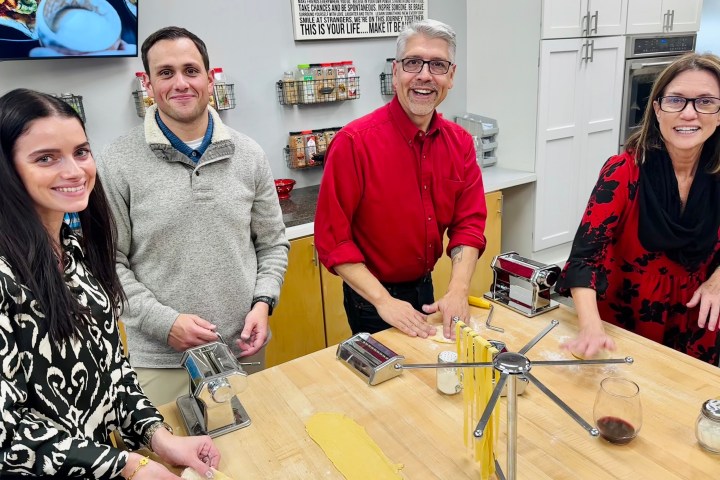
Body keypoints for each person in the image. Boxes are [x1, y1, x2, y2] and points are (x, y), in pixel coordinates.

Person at [0, 88, 220, 479]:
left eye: (81, 152)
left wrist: (158, 437)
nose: (74, 171)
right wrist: (128, 466)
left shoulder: (76, 250)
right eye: (46, 158)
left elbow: (112, 372)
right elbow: (7, 433)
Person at [97, 27, 289, 406]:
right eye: (166, 73)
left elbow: (272, 244)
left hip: (242, 351)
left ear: (210, 78)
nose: (180, 83)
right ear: (148, 84)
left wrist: (263, 303)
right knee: (172, 463)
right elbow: (108, 263)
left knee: (258, 455)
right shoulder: (116, 161)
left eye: (191, 70)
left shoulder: (249, 154)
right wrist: (164, 324)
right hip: (161, 363)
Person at [314, 19, 487, 341]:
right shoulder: (354, 142)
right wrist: (383, 301)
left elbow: (469, 224)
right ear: (395, 73)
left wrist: (459, 290)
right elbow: (333, 241)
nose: (424, 75)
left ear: (451, 77)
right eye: (412, 63)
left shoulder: (460, 142)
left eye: (437, 65)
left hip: (427, 287)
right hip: (372, 298)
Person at [555, 52, 720, 366]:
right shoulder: (624, 172)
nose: (689, 113)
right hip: (628, 331)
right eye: (676, 101)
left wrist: (717, 281)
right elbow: (584, 260)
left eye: (705, 102)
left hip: (697, 332)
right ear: (657, 109)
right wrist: (590, 326)